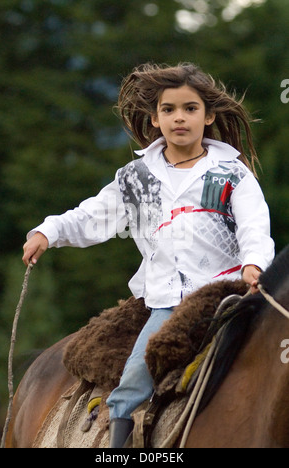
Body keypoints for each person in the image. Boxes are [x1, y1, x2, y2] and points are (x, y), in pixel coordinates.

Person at [22, 63, 275, 447]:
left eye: (190, 108)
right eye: (169, 109)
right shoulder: (136, 177)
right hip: (167, 303)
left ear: (208, 117)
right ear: (155, 118)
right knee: (135, 380)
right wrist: (49, 231)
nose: (180, 118)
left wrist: (256, 264)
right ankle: (119, 444)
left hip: (229, 293)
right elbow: (92, 215)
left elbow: (254, 226)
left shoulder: (232, 174)